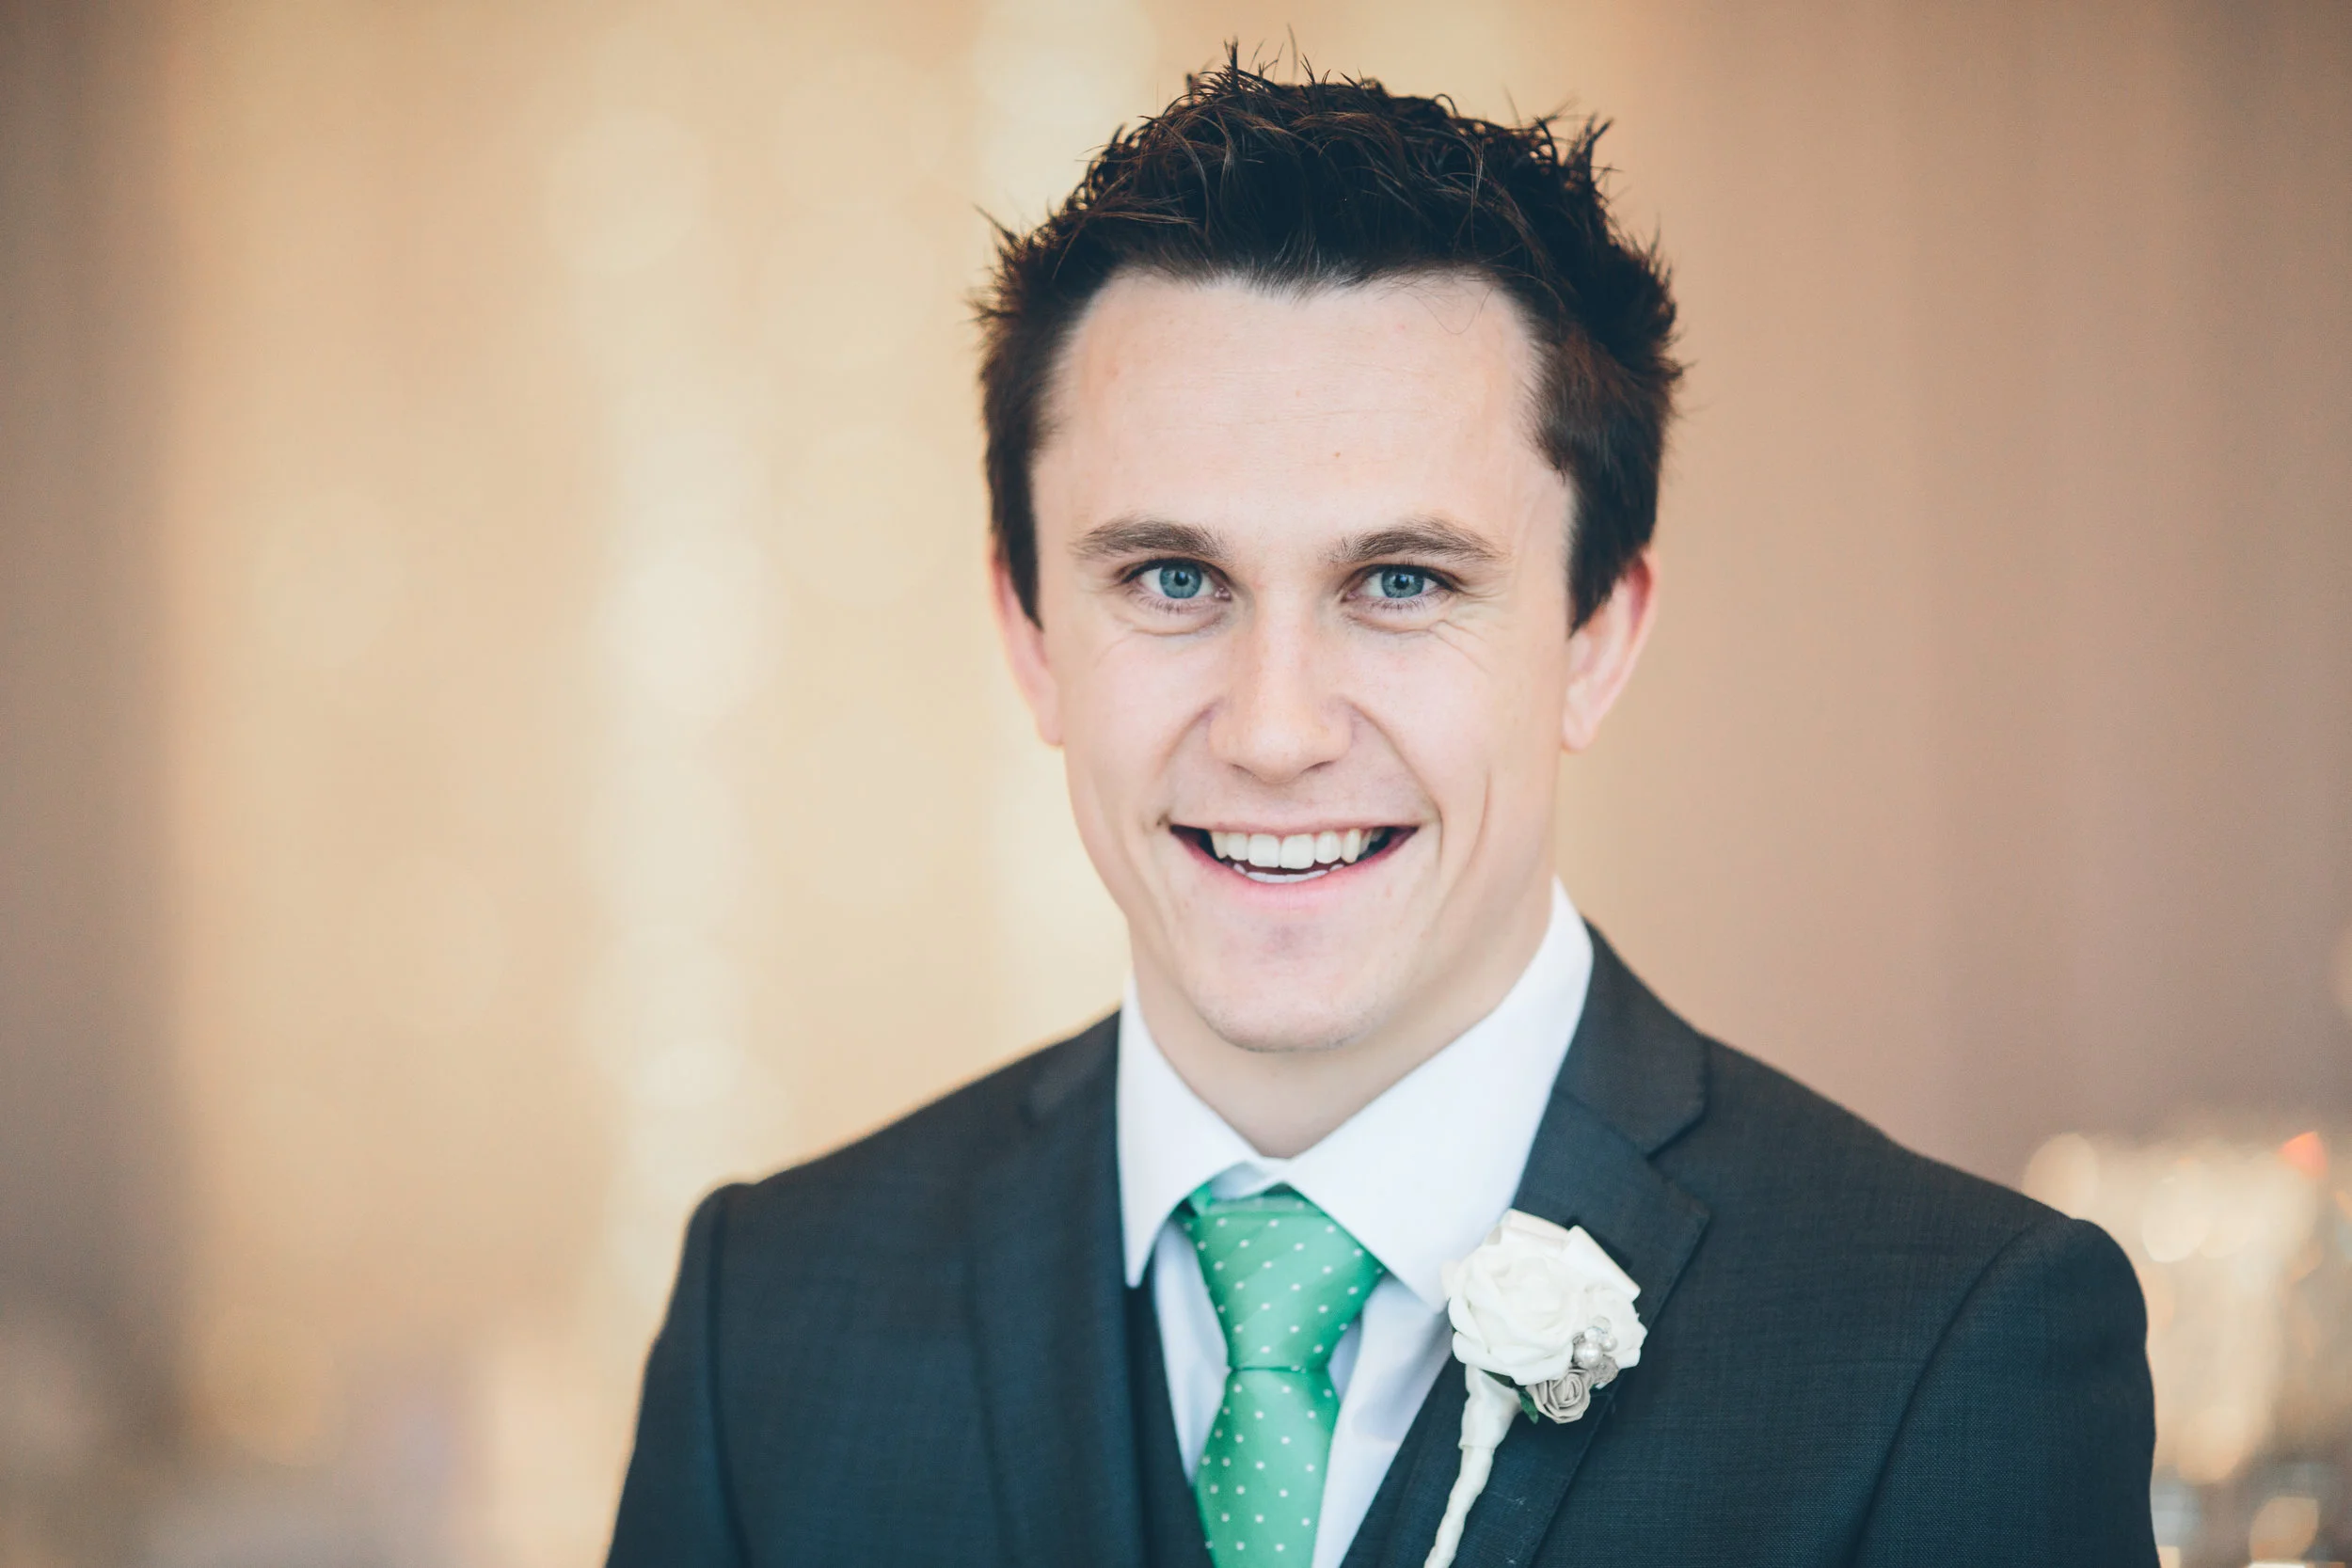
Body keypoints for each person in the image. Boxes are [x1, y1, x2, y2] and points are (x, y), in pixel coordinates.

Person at [606, 61, 2156, 1568]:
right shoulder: (769, 1315)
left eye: (1401, 582)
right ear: (1029, 639)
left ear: (1595, 638)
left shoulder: (1954, 1344)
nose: (1276, 732)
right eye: (1172, 579)